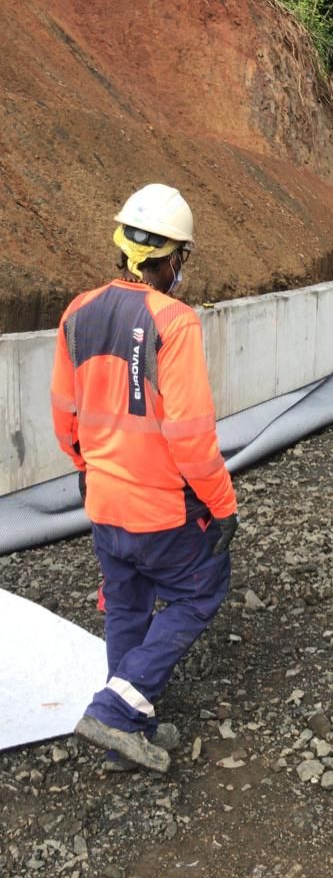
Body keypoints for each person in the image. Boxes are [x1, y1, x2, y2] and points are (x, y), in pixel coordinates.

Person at [50, 184, 238, 773]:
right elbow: (189, 436)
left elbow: (64, 414)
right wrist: (222, 503)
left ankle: (123, 726)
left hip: (104, 502)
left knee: (126, 608)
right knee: (200, 589)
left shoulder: (77, 313)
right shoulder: (174, 323)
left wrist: (87, 470)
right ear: (172, 258)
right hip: (161, 510)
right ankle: (114, 709)